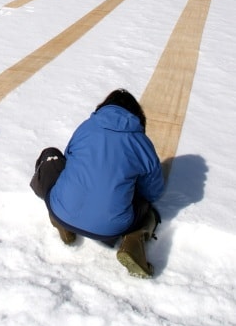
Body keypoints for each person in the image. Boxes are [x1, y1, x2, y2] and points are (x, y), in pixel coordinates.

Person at [30, 89, 164, 278]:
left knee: (51, 155)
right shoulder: (142, 143)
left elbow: (68, 162)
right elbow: (153, 191)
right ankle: (134, 238)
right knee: (147, 210)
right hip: (112, 228)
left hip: (61, 210)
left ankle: (64, 225)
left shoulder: (86, 127)